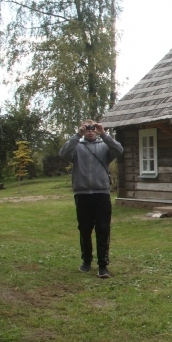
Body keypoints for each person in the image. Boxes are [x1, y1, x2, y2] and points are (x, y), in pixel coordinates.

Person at [59, 120, 123, 279]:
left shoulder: (104, 147)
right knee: (85, 229)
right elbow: (63, 153)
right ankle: (86, 261)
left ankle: (103, 265)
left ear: (97, 129)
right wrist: (77, 135)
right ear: (82, 129)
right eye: (86, 128)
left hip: (101, 193)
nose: (90, 131)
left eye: (92, 128)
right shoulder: (77, 148)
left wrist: (104, 134)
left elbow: (119, 150)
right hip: (82, 194)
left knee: (103, 229)